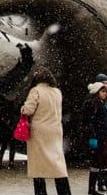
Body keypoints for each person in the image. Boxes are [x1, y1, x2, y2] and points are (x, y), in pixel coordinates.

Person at [20, 66, 71, 195]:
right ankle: (64, 191)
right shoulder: (57, 92)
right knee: (57, 164)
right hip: (55, 130)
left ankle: (41, 192)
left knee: (38, 167)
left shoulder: (35, 91)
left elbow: (28, 110)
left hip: (39, 132)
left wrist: (23, 108)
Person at [84, 82, 107, 195]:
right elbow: (89, 123)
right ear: (96, 92)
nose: (105, 93)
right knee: (102, 163)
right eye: (102, 91)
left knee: (98, 164)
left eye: (106, 91)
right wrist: (93, 136)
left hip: (102, 137)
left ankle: (93, 189)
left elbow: (104, 123)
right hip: (98, 138)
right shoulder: (92, 105)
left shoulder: (102, 104)